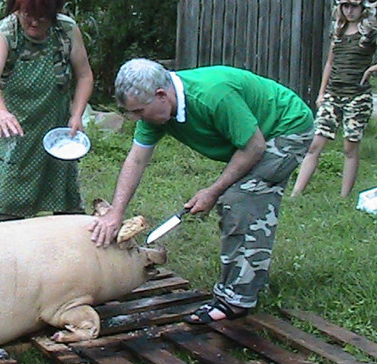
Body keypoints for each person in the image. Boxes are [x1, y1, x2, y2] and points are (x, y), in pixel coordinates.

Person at [89, 59, 313, 323]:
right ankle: (244, 280)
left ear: (161, 95)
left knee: (240, 201)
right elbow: (136, 160)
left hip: (285, 127)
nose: (136, 119)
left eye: (139, 111)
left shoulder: (212, 96)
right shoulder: (155, 109)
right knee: (240, 197)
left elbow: (254, 147)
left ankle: (236, 300)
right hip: (253, 135)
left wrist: (213, 191)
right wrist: (116, 213)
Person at [0, 0, 93, 221]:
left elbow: (84, 75)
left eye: (42, 17)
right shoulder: (4, 34)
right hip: (12, 126)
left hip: (54, 123)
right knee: (6, 199)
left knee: (64, 195)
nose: (35, 23)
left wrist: (77, 114)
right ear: (19, 8)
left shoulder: (67, 30)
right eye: (29, 16)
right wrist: (0, 112)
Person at [291, 0, 377, 198]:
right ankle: (296, 193)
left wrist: (372, 69)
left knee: (350, 147)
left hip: (358, 96)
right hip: (333, 94)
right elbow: (330, 63)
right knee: (315, 144)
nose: (350, 11)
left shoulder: (369, 34)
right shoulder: (338, 31)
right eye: (346, 5)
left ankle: (344, 196)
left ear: (363, 8)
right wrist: (321, 93)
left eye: (354, 6)